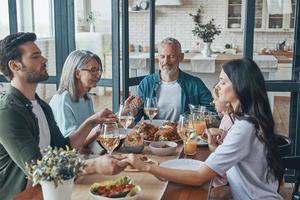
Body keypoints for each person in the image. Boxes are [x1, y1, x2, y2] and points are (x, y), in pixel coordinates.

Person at [121, 58, 284, 199]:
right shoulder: (248, 121)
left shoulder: (244, 128)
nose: (218, 87)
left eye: (223, 82)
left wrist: (147, 167)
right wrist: (215, 149)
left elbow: (199, 177)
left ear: (240, 87)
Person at [0, 32, 126, 200]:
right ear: (15, 66)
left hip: (53, 189)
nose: (44, 60)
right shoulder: (8, 112)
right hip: (25, 195)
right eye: (36, 56)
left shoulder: (42, 105)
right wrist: (94, 165)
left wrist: (91, 122)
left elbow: (63, 148)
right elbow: (38, 168)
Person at [135, 37, 214, 122]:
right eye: (162, 56)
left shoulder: (195, 84)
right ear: (158, 57)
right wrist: (132, 112)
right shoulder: (146, 83)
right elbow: (136, 116)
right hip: (153, 133)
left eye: (171, 56)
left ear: (181, 57)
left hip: (182, 133)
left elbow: (212, 112)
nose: (166, 61)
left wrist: (197, 119)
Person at [49, 50, 103, 154]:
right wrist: (100, 127)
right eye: (93, 70)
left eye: (98, 70)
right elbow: (71, 146)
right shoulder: (62, 100)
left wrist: (121, 114)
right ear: (77, 73)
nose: (98, 75)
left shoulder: (86, 98)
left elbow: (91, 133)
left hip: (87, 153)